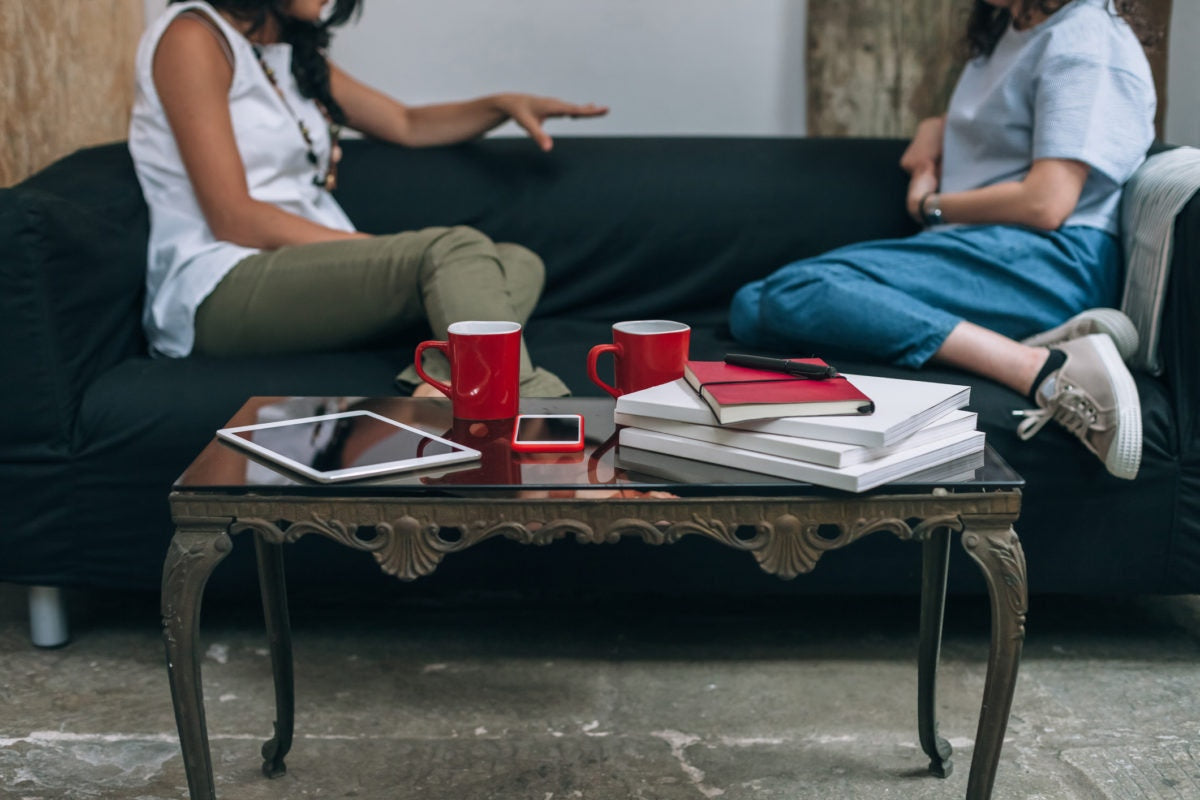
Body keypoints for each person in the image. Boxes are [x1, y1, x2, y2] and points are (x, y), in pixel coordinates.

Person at [729, 0, 1156, 479]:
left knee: (790, 293)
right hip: (997, 249)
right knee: (752, 304)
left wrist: (929, 204)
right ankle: (1048, 338)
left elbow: (1047, 203)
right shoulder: (1015, 25)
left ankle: (1040, 367)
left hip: (1051, 260)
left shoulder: (1085, 37)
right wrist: (936, 131)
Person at [129, 0, 608, 398]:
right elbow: (233, 217)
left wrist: (501, 105)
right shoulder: (193, 37)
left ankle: (440, 389)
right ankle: (528, 412)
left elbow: (405, 123)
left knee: (517, 261)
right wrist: (367, 250)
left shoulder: (286, 47)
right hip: (220, 287)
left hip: (303, 271)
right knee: (453, 250)